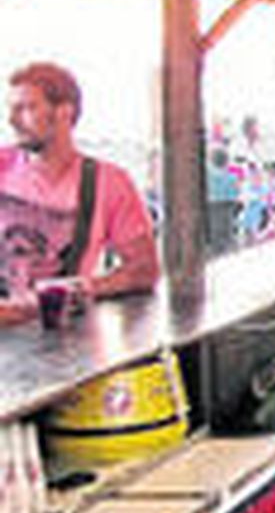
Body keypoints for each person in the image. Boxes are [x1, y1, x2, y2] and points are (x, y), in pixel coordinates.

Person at [1, 62, 159, 323]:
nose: (12, 120)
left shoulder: (108, 182)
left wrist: (77, 289)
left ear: (64, 112)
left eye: (26, 108)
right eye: (10, 109)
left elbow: (144, 270)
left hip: (63, 344)